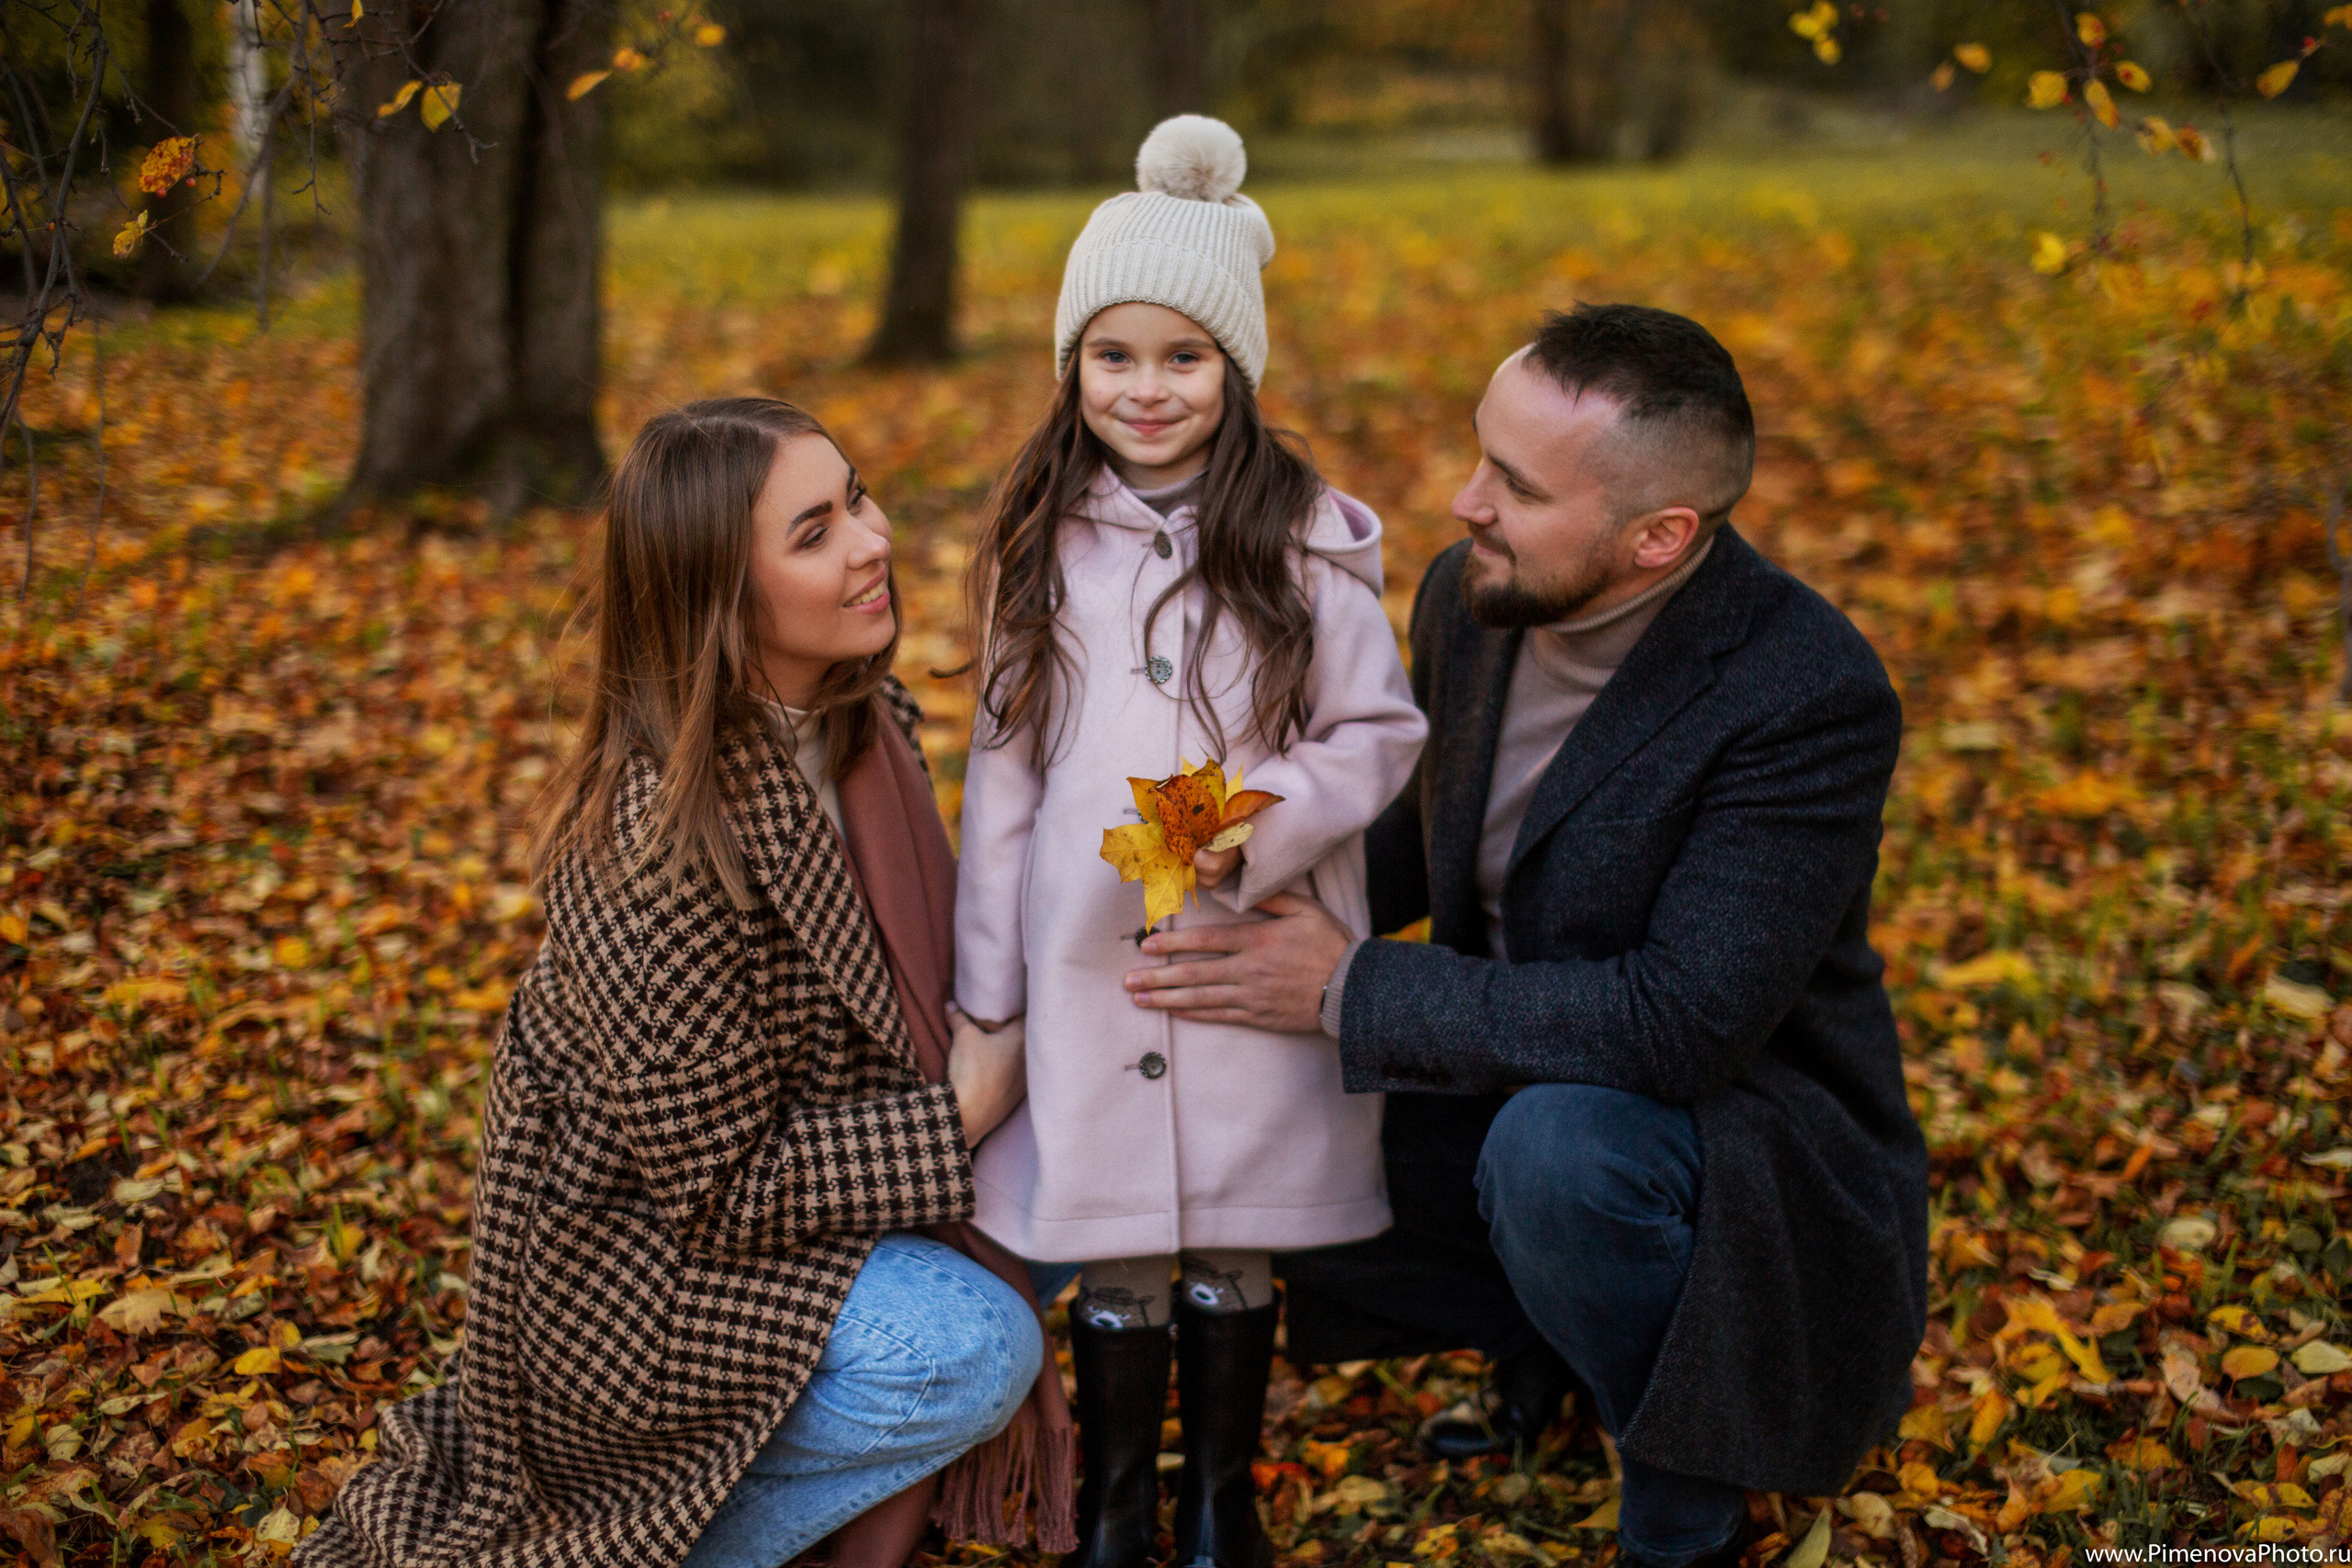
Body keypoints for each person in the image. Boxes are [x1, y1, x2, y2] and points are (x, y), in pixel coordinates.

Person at [1125, 305, 1930, 1568]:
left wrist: (1345, 985)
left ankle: (1687, 1488)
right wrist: (1252, 852)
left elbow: (1682, 1022)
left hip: (1737, 1143)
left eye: (1513, 482)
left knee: (1560, 1156)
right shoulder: (1474, 594)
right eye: (1477, 455)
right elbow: (1434, 830)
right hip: (1514, 1067)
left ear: (1660, 536)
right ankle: (1551, 1335)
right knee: (1235, 1082)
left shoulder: (1803, 690)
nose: (1462, 502)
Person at [298, 398, 1068, 1568]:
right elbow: (720, 1191)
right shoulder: (658, 847)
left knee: (1071, 1191)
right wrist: (961, 1109)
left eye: (856, 496)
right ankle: (654, 1546)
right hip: (641, 1279)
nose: (874, 539)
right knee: (964, 1344)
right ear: (720, 599)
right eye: (813, 533)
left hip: (796, 1189)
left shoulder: (863, 719)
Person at [954, 117, 1427, 1568]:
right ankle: (1116, 1504)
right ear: (1071, 367)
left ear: (1238, 368)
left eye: (1184, 357)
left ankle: (1221, 1498)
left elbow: (1378, 731)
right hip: (1092, 960)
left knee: (1231, 1230)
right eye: (1114, 355)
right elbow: (1002, 783)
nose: (1146, 390)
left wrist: (1259, 821)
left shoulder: (1307, 547)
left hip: (1244, 948)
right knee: (1119, 1243)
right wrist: (995, 997)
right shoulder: (1041, 551)